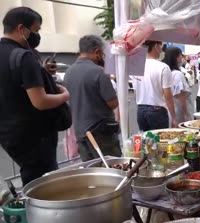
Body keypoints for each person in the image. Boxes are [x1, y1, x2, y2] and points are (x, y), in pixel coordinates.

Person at [0, 7, 70, 185]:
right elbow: (41, 101)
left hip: (8, 133)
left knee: (31, 180)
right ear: (22, 29)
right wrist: (65, 96)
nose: (37, 36)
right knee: (44, 187)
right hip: (34, 136)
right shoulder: (24, 57)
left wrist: (42, 73)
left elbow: (11, 85)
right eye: (36, 30)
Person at [64, 35, 121, 161]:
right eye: (102, 53)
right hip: (101, 133)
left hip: (80, 131)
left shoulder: (69, 72)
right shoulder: (99, 72)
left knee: (91, 172)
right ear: (97, 52)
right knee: (112, 168)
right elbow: (113, 103)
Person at [133, 40, 176, 130]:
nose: (161, 50)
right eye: (160, 47)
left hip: (140, 110)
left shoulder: (136, 66)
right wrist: (174, 117)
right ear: (156, 46)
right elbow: (168, 95)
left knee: (146, 141)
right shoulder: (163, 67)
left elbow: (135, 90)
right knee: (160, 141)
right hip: (157, 110)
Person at [163, 46, 192, 124]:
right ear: (175, 57)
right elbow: (181, 95)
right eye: (180, 55)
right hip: (179, 110)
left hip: (169, 109)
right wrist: (186, 112)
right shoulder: (177, 74)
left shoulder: (166, 72)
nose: (181, 58)